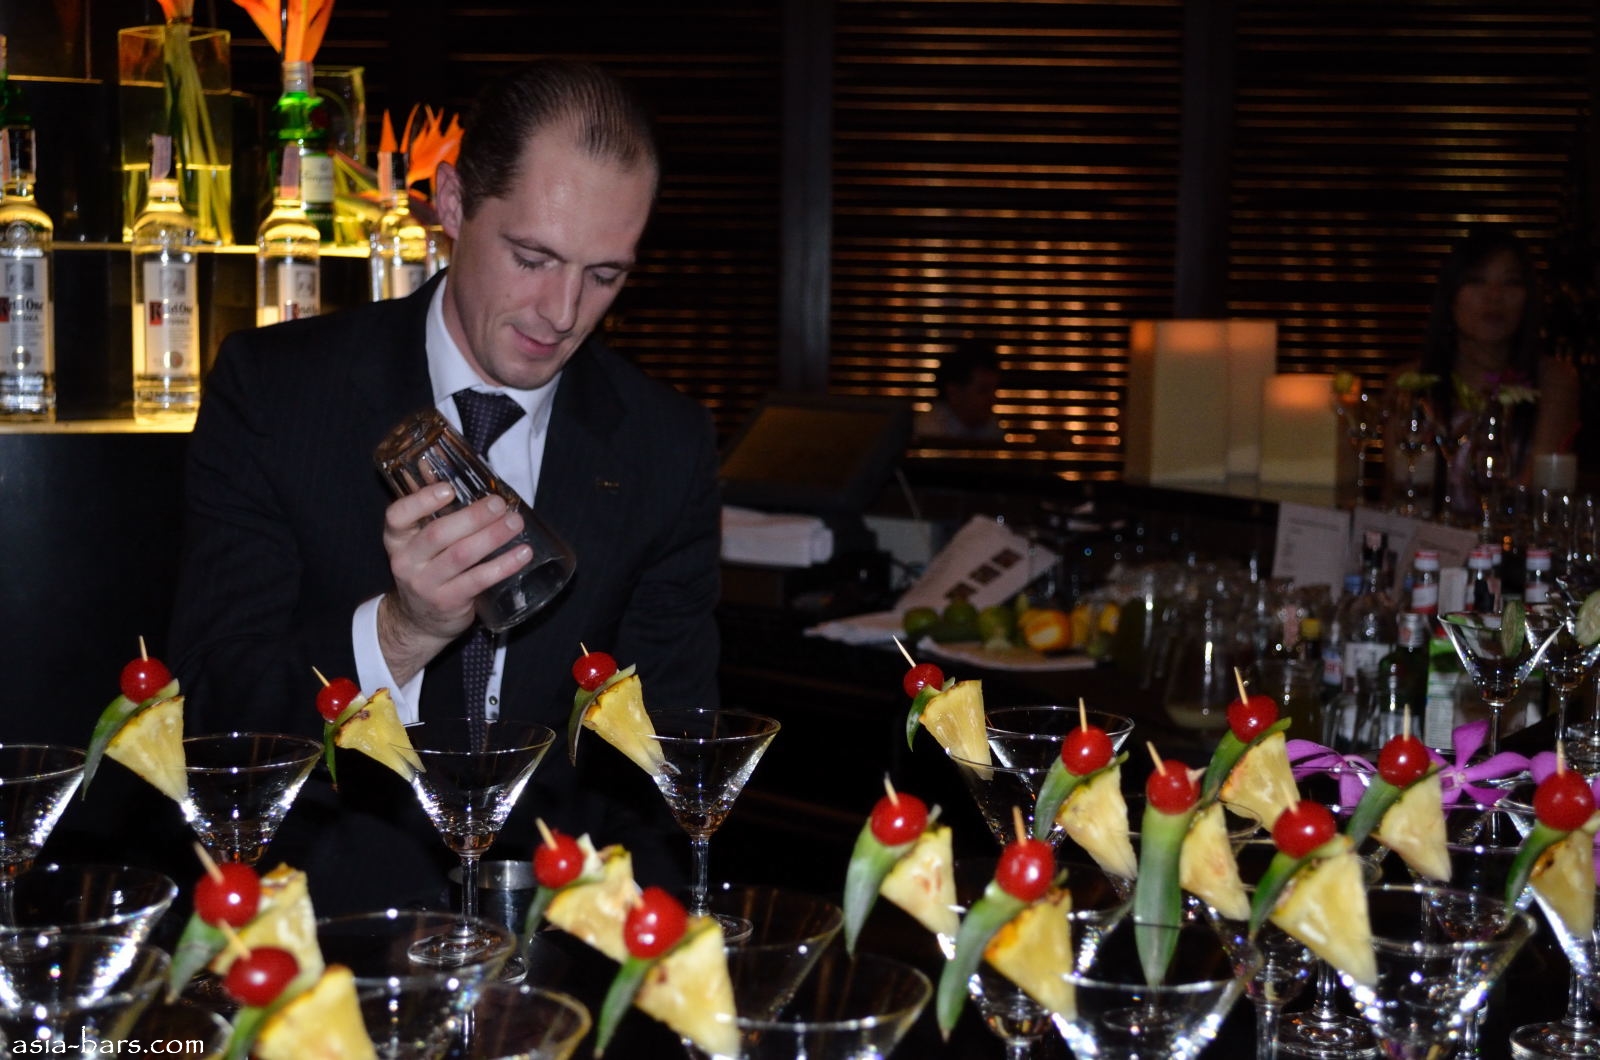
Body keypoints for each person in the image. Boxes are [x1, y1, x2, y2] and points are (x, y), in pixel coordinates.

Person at [167, 60, 720, 911]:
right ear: (453, 203)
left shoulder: (664, 446)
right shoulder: (276, 393)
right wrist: (400, 633)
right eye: (532, 257)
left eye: (605, 275)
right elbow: (212, 722)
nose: (562, 312)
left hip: (557, 938)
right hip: (317, 934)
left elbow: (668, 774)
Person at [1409, 223, 1580, 521]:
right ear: (1451, 296)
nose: (1494, 296)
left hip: (1513, 538)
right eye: (1476, 281)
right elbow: (1403, 492)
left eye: (1511, 282)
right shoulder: (1413, 381)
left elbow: (1532, 493)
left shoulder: (1553, 380)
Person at [914, 340, 1005, 441]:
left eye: (994, 390)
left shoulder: (992, 428)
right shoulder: (928, 434)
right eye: (983, 390)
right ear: (954, 393)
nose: (992, 398)